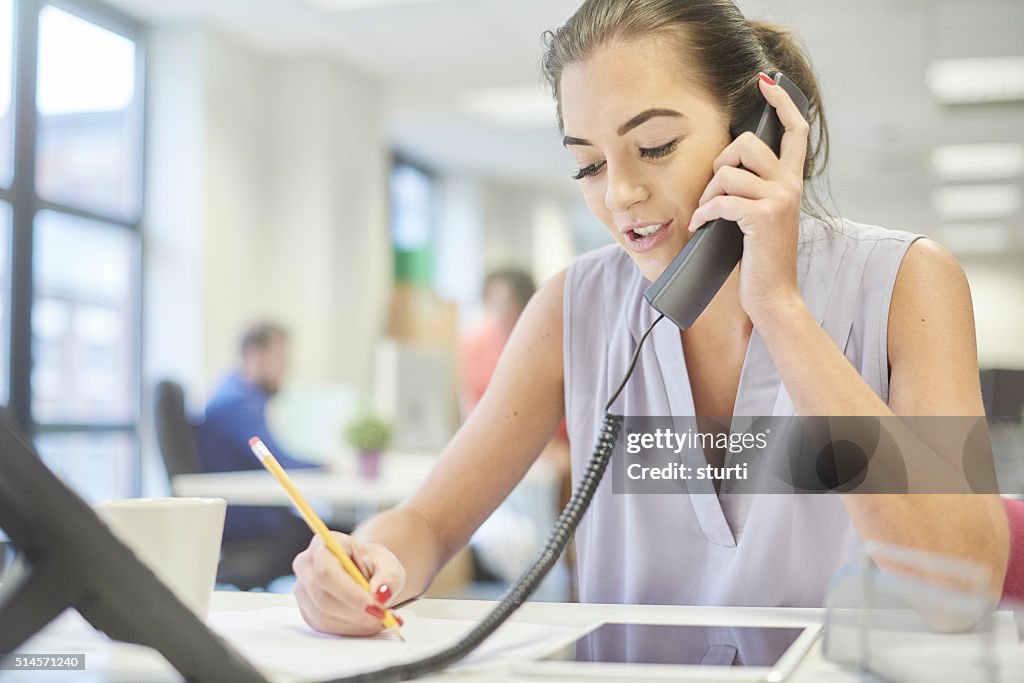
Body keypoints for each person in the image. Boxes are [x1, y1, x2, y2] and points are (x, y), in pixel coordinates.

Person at [292, 0, 1009, 635]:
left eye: (655, 146)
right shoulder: (572, 308)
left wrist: (781, 310)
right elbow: (424, 523)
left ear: (753, 130)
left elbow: (958, 586)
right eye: (589, 165)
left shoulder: (907, 283)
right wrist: (368, 560)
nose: (621, 194)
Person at [195, 323, 317, 582]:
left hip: (252, 518)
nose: (285, 367)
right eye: (280, 357)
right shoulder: (237, 403)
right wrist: (322, 467)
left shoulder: (238, 395)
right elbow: (276, 462)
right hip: (249, 525)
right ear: (253, 355)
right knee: (340, 539)